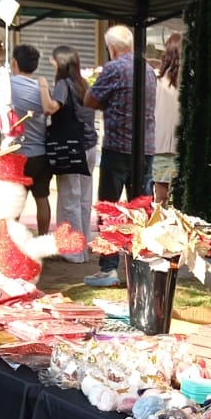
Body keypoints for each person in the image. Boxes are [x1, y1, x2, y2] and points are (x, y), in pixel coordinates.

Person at [83, 25, 156, 285]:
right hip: (145, 148)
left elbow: (89, 100)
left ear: (112, 48)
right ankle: (142, 265)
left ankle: (109, 268)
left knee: (110, 208)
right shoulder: (148, 69)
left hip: (117, 147)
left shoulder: (113, 68)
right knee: (141, 208)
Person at [50, 45, 98, 259]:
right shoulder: (84, 84)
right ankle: (83, 247)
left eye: (53, 61)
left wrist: (42, 88)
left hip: (71, 148)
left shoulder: (63, 85)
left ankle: (74, 251)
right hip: (90, 145)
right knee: (84, 199)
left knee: (70, 199)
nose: (52, 64)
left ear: (60, 63)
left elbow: (52, 107)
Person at [9, 42, 60, 238]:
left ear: (14, 62)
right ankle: (43, 238)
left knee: (15, 200)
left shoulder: (8, 85)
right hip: (41, 153)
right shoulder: (42, 89)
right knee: (42, 198)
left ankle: (12, 239)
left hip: (18, 154)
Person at [153, 31, 181, 204]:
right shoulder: (191, 81)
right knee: (179, 200)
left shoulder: (156, 79)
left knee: (160, 199)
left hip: (159, 145)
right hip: (181, 147)